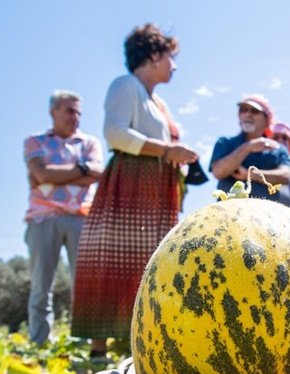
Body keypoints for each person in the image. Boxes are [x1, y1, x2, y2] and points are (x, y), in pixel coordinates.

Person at [71, 23, 199, 356]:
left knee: (149, 260)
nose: (174, 65)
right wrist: (167, 151)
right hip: (129, 184)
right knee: (115, 257)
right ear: (154, 55)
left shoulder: (158, 102)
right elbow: (115, 134)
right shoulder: (125, 85)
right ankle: (99, 349)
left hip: (154, 189)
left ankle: (142, 344)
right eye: (170, 57)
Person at [23, 90, 103, 345]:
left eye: (79, 112)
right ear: (53, 112)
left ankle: (82, 346)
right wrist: (82, 170)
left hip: (81, 218)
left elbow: (98, 172)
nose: (75, 117)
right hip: (42, 218)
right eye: (69, 111)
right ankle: (39, 345)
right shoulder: (34, 141)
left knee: (83, 288)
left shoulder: (89, 143)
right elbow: (41, 173)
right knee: (40, 287)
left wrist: (52, 174)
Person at [210, 94, 290, 201]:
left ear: (266, 120)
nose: (248, 114)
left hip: (267, 213)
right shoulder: (225, 142)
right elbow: (218, 172)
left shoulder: (278, 149)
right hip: (228, 213)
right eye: (244, 110)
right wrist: (247, 147)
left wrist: (250, 174)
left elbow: (286, 176)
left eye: (254, 111)